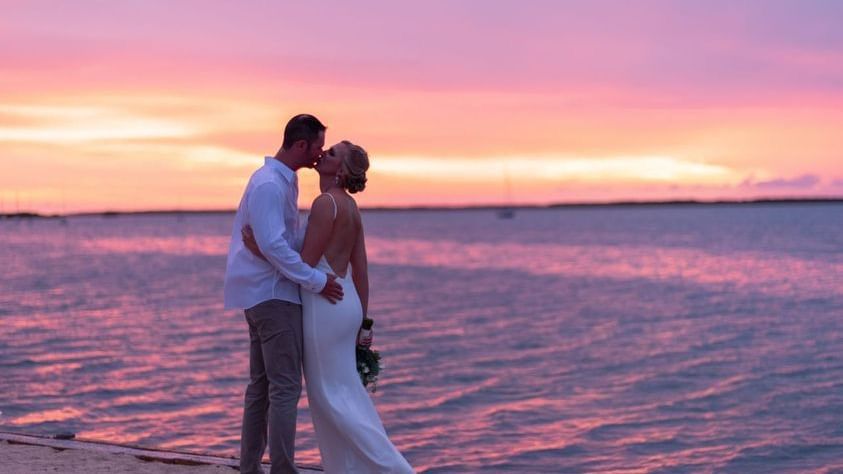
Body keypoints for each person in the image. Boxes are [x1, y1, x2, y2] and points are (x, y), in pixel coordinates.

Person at [244, 140, 414, 473]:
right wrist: (363, 322)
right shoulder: (351, 207)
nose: (324, 155)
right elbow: (361, 271)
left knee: (331, 399)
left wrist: (260, 248)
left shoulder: (326, 204)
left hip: (324, 306)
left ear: (342, 170)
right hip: (346, 303)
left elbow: (304, 264)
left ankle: (394, 468)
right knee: (346, 392)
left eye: (332, 153)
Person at [223, 114, 344, 474]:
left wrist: (266, 249)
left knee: (262, 386)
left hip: (264, 293)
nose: (320, 154)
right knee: (285, 388)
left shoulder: (281, 182)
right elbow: (276, 245)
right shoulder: (270, 185)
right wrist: (316, 281)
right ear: (301, 145)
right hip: (273, 297)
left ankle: (249, 467)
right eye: (318, 146)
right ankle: (282, 469)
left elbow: (277, 242)